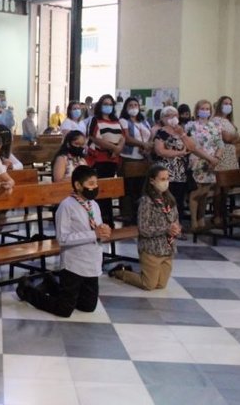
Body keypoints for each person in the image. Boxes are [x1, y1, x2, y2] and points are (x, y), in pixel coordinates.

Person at [16, 165, 111, 317]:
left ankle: (51, 284)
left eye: (96, 183)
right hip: (74, 262)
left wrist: (103, 230)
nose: (95, 187)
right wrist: (94, 234)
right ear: (78, 185)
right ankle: (27, 290)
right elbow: (63, 238)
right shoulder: (66, 206)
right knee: (64, 310)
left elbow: (96, 227)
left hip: (92, 260)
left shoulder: (94, 205)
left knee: (87, 307)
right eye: (91, 184)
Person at [108, 165, 180, 290]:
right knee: (149, 285)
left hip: (167, 248)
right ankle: (121, 272)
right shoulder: (146, 201)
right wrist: (166, 229)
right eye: (162, 179)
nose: (166, 182)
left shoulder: (170, 199)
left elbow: (175, 220)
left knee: (161, 285)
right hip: (151, 248)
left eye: (167, 178)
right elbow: (144, 229)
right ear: (152, 181)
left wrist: (176, 228)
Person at [86, 94, 125, 226]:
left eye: (110, 104)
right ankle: (99, 220)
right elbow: (94, 138)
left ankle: (108, 220)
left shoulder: (116, 120)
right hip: (100, 158)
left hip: (113, 159)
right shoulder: (95, 120)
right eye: (105, 104)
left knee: (108, 190)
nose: (108, 106)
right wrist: (114, 148)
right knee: (99, 189)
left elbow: (122, 137)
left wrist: (118, 149)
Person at [185, 100, 223, 230]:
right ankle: (193, 220)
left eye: (207, 109)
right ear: (197, 110)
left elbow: (220, 144)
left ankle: (201, 218)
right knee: (197, 191)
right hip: (197, 160)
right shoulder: (191, 126)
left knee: (205, 192)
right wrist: (209, 158)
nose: (205, 111)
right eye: (202, 108)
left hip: (211, 162)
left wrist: (216, 157)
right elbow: (192, 146)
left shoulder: (215, 126)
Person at [152, 106, 193, 221]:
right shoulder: (161, 132)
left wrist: (182, 134)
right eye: (168, 115)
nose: (172, 118)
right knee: (166, 199)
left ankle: (177, 225)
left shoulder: (182, 131)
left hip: (180, 171)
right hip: (166, 170)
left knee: (178, 200)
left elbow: (191, 147)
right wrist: (179, 153)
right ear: (162, 119)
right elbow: (160, 151)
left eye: (174, 115)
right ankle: (165, 225)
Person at [119, 97, 152, 225]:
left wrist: (148, 147)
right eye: (130, 105)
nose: (134, 107)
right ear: (126, 108)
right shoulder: (123, 121)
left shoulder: (144, 122)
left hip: (143, 157)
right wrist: (142, 144)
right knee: (129, 188)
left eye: (136, 105)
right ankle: (128, 216)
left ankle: (139, 214)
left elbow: (150, 136)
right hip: (129, 157)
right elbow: (126, 138)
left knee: (140, 188)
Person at [211, 96, 240, 226]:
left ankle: (224, 214)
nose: (228, 105)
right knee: (219, 186)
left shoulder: (229, 121)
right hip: (221, 155)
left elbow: (237, 138)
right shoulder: (215, 120)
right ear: (220, 105)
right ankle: (216, 215)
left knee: (226, 188)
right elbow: (227, 137)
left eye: (230, 104)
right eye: (225, 103)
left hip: (230, 155)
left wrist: (233, 138)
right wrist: (233, 137)